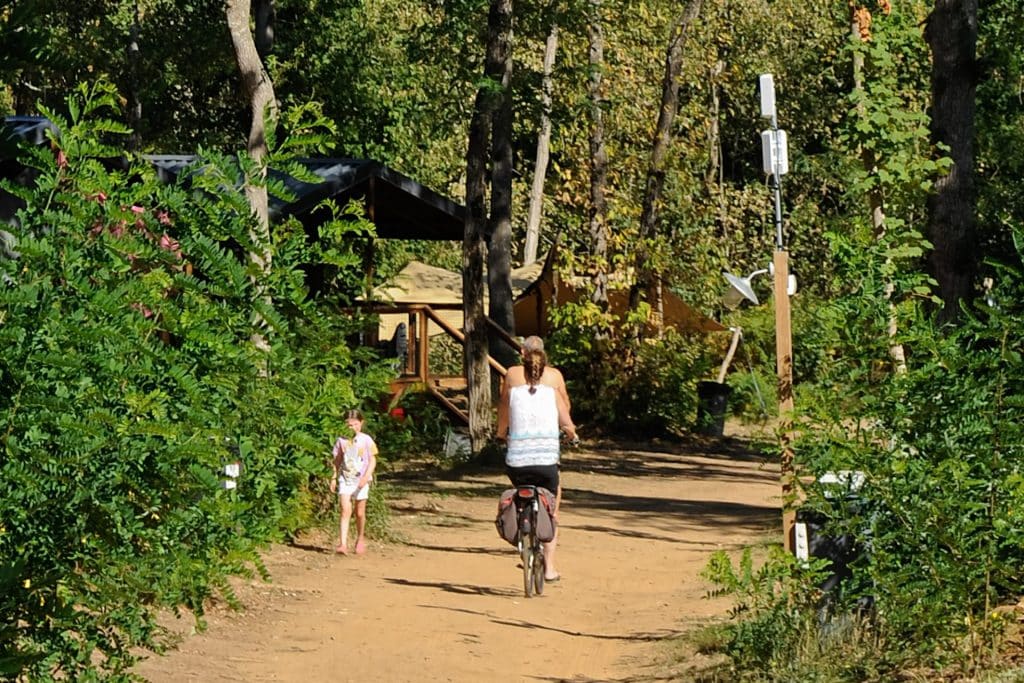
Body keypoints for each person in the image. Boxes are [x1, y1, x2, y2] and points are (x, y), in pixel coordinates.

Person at [496, 345, 576, 582]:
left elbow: (503, 420)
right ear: (543, 370)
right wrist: (572, 434)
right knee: (552, 506)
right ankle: (550, 568)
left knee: (521, 493)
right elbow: (568, 424)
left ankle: (522, 534)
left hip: (517, 463)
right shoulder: (552, 394)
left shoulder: (513, 393)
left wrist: (501, 435)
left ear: (524, 367)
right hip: (546, 463)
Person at [330, 409, 378, 555]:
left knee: (359, 512)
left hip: (362, 479)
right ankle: (342, 544)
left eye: (355, 424)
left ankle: (360, 538)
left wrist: (366, 477)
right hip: (345, 479)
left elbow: (372, 460)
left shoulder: (366, 439)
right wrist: (333, 478)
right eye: (349, 425)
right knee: (345, 510)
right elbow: (336, 461)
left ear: (361, 423)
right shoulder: (341, 440)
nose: (352, 428)